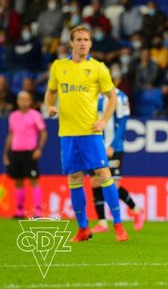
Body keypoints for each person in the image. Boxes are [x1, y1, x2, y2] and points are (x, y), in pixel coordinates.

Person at [44, 26, 128, 242]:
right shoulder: (58, 66)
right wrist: (50, 107)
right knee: (74, 178)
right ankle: (83, 228)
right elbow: (50, 93)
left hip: (90, 133)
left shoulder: (99, 68)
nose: (82, 43)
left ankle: (118, 224)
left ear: (91, 44)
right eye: (79, 39)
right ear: (71, 43)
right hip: (68, 134)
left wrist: (103, 121)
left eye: (86, 40)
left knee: (103, 174)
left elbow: (112, 98)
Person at [90, 88, 145, 234]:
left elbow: (123, 123)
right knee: (95, 181)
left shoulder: (120, 97)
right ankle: (102, 222)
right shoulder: (92, 94)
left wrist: (113, 146)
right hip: (96, 145)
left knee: (113, 185)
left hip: (114, 147)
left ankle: (136, 210)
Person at [3, 91, 47, 218]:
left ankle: (38, 212)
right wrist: (6, 152)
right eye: (21, 99)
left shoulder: (35, 115)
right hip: (16, 152)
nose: (23, 101)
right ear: (17, 101)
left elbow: (43, 132)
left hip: (29, 152)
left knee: (34, 180)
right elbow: (11, 134)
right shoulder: (13, 116)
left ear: (30, 101)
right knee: (18, 181)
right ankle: (20, 211)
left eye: (26, 99)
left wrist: (39, 149)